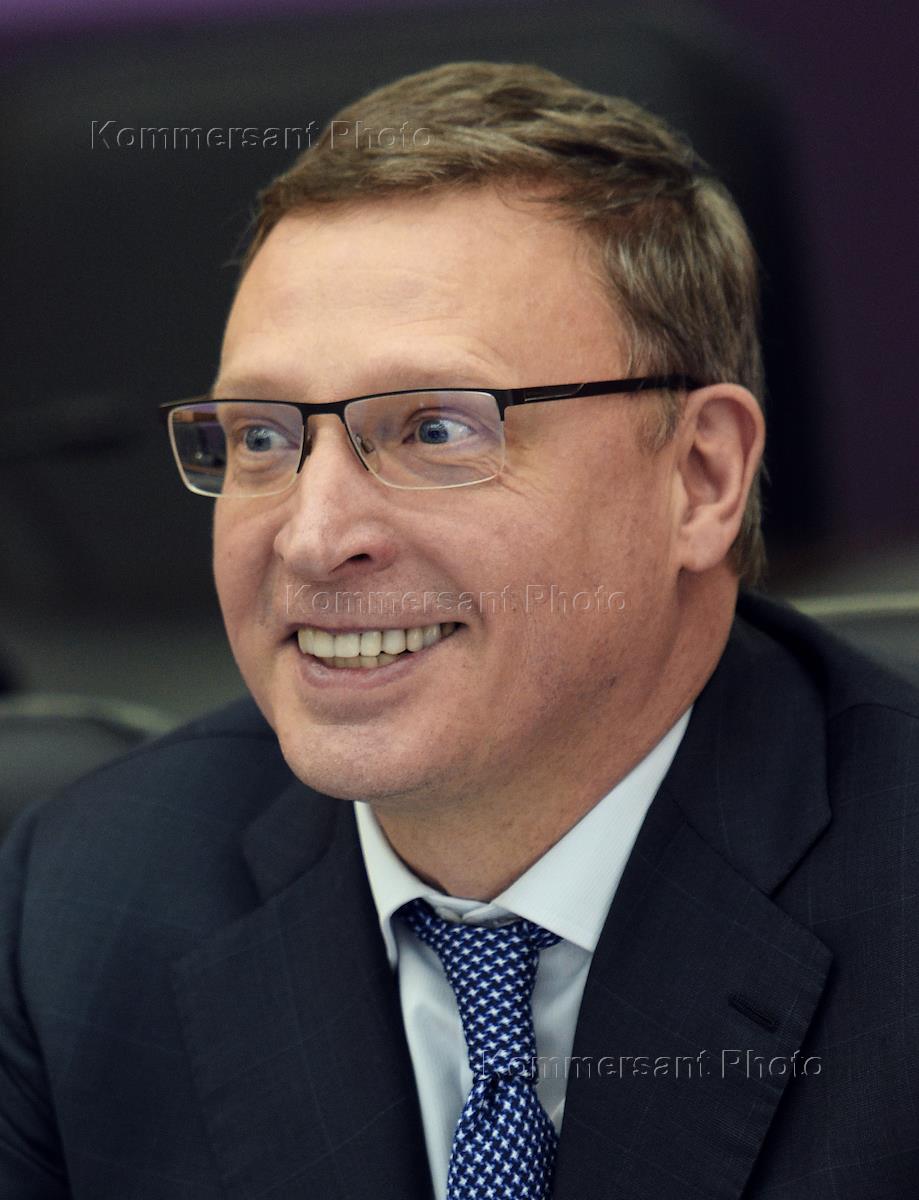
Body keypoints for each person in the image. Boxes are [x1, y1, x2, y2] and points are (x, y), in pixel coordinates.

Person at [1, 61, 918, 1200]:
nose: (312, 537)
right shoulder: (85, 902)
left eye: (435, 429)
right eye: (262, 438)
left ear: (699, 477)